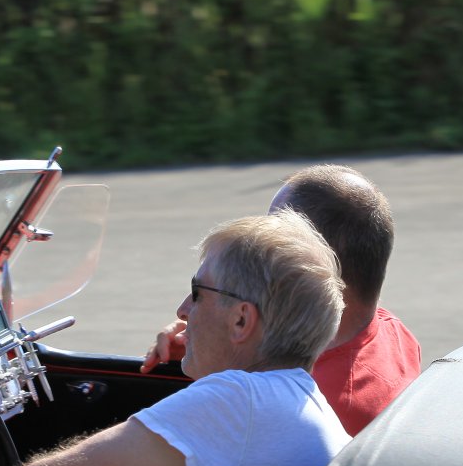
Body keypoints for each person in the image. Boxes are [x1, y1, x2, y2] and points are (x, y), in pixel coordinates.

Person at [12, 209, 350, 466]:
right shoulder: (299, 402)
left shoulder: (236, 400)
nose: (182, 309)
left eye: (197, 292)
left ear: (241, 320)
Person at [143, 164, 421, 435]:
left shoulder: (304, 403)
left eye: (276, 236)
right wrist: (215, 334)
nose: (261, 242)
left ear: (312, 268)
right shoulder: (392, 330)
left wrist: (218, 356)